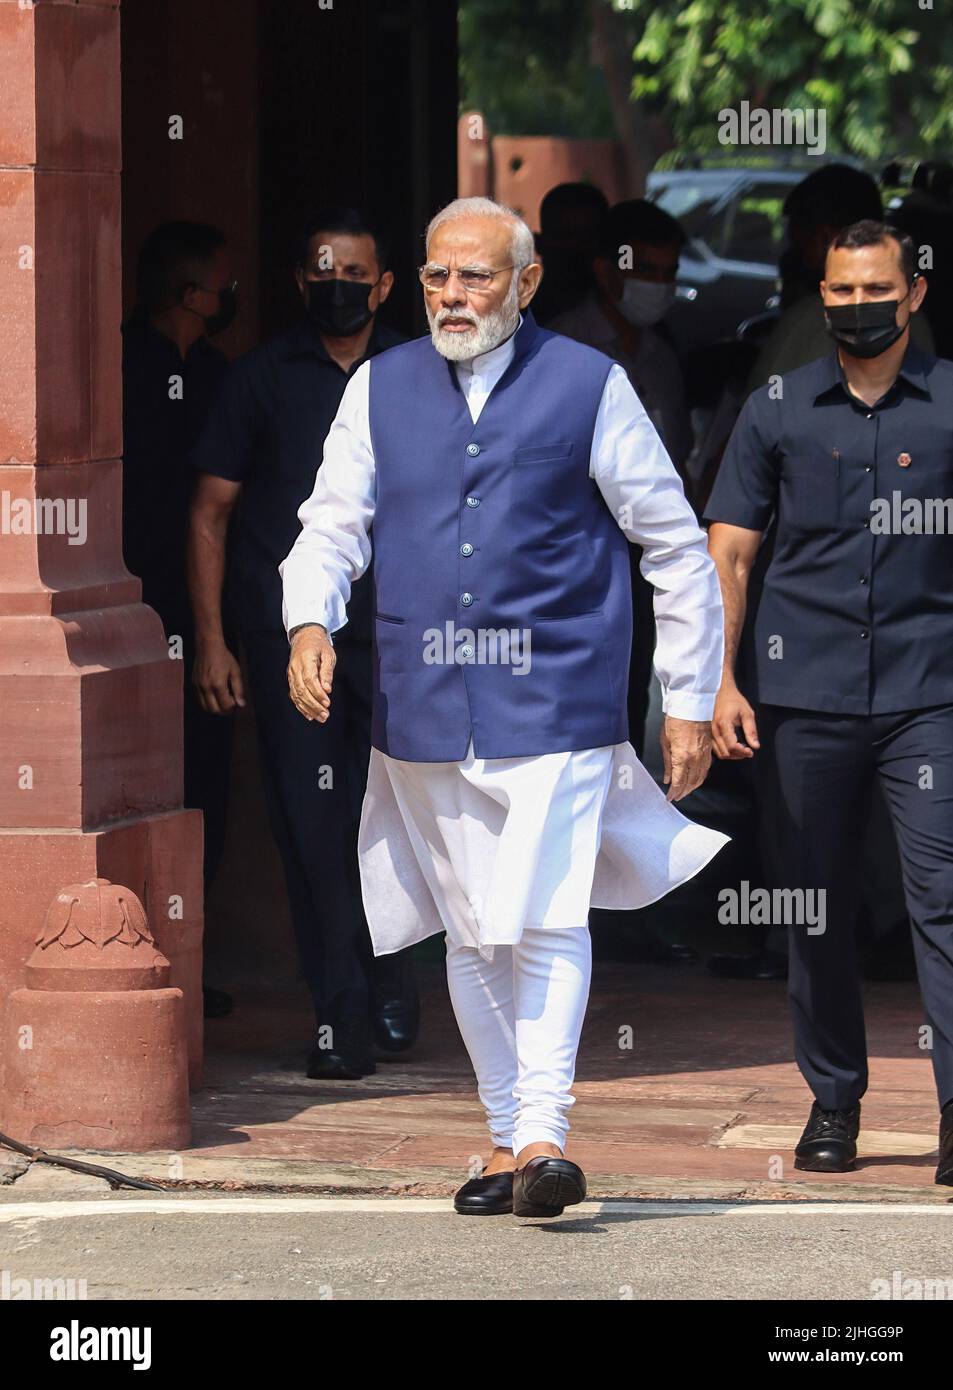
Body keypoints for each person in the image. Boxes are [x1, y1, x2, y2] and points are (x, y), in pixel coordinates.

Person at [281, 196, 728, 1218]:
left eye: (474, 276)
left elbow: (672, 544)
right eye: (436, 275)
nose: (450, 294)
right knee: (474, 930)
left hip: (557, 697)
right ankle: (500, 1141)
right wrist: (310, 620)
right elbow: (330, 522)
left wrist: (686, 699)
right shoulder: (379, 388)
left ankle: (545, 1135)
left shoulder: (587, 384)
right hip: (422, 697)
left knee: (544, 910)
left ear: (525, 284)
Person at [705, 219, 953, 1184]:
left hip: (930, 693)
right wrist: (717, 679)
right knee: (814, 907)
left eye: (874, 290)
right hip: (800, 695)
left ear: (915, 293)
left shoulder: (948, 407)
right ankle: (833, 1100)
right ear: (821, 297)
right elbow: (728, 550)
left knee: (944, 900)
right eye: (839, 293)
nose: (857, 308)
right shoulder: (776, 408)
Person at [189, 207, 415, 1080]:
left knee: (404, 817)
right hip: (292, 645)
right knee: (314, 826)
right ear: (297, 280)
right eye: (322, 272)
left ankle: (396, 982)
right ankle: (341, 1013)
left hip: (399, 640)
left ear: (385, 286)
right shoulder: (258, 378)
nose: (338, 287)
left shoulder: (421, 375)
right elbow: (210, 512)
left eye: (355, 276)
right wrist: (210, 642)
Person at [122, 220, 238, 1020]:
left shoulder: (220, 372)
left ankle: (192, 964)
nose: (228, 298)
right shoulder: (119, 366)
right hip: (133, 605)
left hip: (207, 614)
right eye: (219, 286)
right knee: (139, 785)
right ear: (188, 293)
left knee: (206, 786)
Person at [531, 182, 609, 326]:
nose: (577, 246)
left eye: (588, 236)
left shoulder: (634, 315)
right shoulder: (519, 320)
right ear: (539, 243)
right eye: (564, 235)